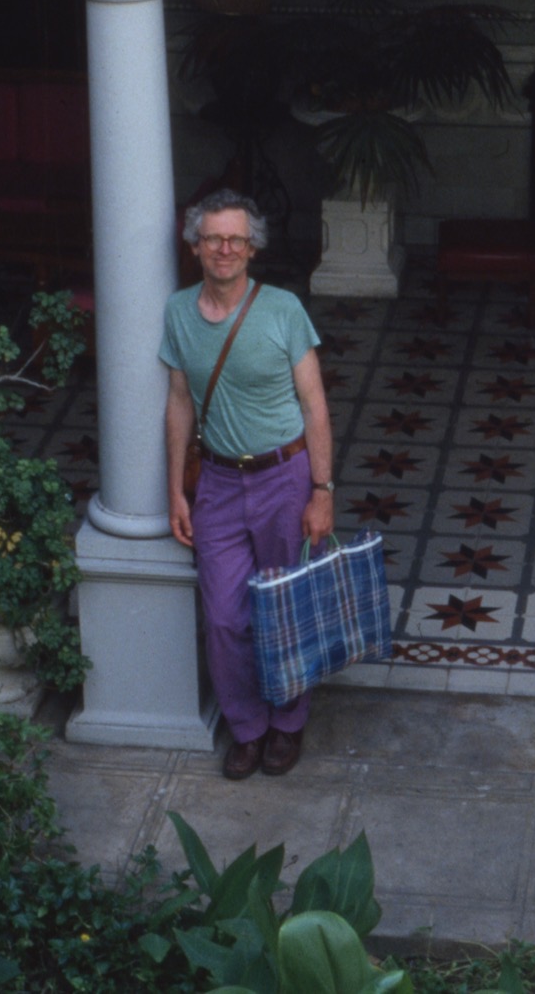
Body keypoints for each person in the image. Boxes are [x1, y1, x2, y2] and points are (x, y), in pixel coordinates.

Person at [161, 189, 335, 780]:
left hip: (284, 478)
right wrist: (175, 490)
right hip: (217, 482)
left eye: (237, 238)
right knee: (224, 617)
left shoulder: (283, 310)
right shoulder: (178, 312)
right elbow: (179, 402)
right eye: (214, 238)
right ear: (195, 246)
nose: (225, 248)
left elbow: (314, 405)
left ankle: (288, 720)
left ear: (252, 247)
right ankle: (247, 726)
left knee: (285, 608)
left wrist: (322, 490)